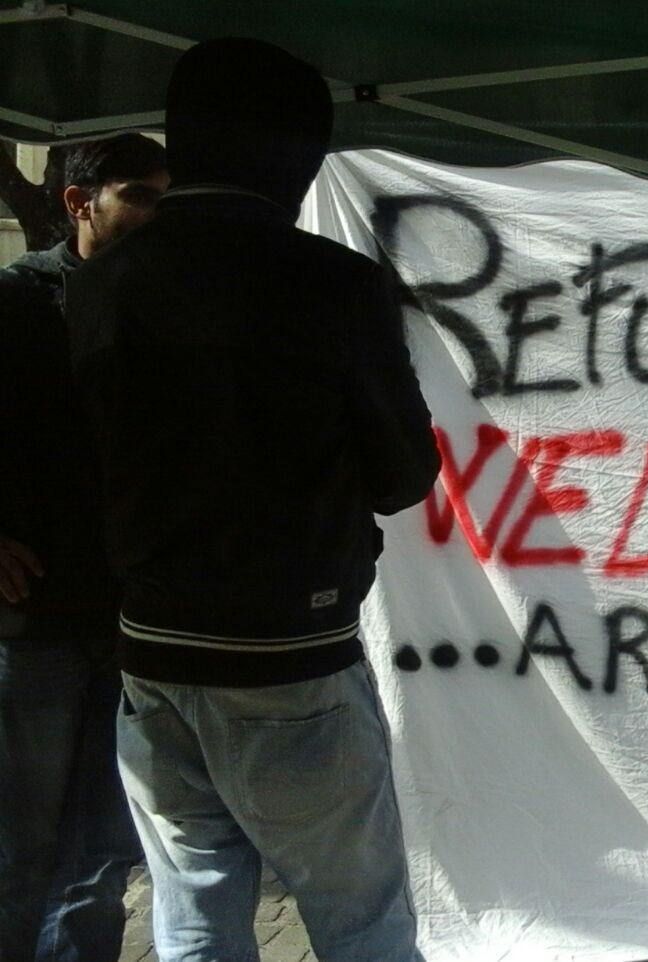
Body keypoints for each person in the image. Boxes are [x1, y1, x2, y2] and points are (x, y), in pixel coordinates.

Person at [67, 39, 439, 962]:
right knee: (363, 927)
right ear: (301, 157)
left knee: (192, 916)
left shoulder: (103, 283)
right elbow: (403, 475)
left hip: (152, 654)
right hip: (289, 659)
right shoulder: (333, 283)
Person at [0, 133, 167, 962]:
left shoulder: (167, 304)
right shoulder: (17, 301)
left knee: (103, 849)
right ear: (79, 203)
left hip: (132, 617)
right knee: (19, 845)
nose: (157, 215)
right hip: (31, 620)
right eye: (140, 194)